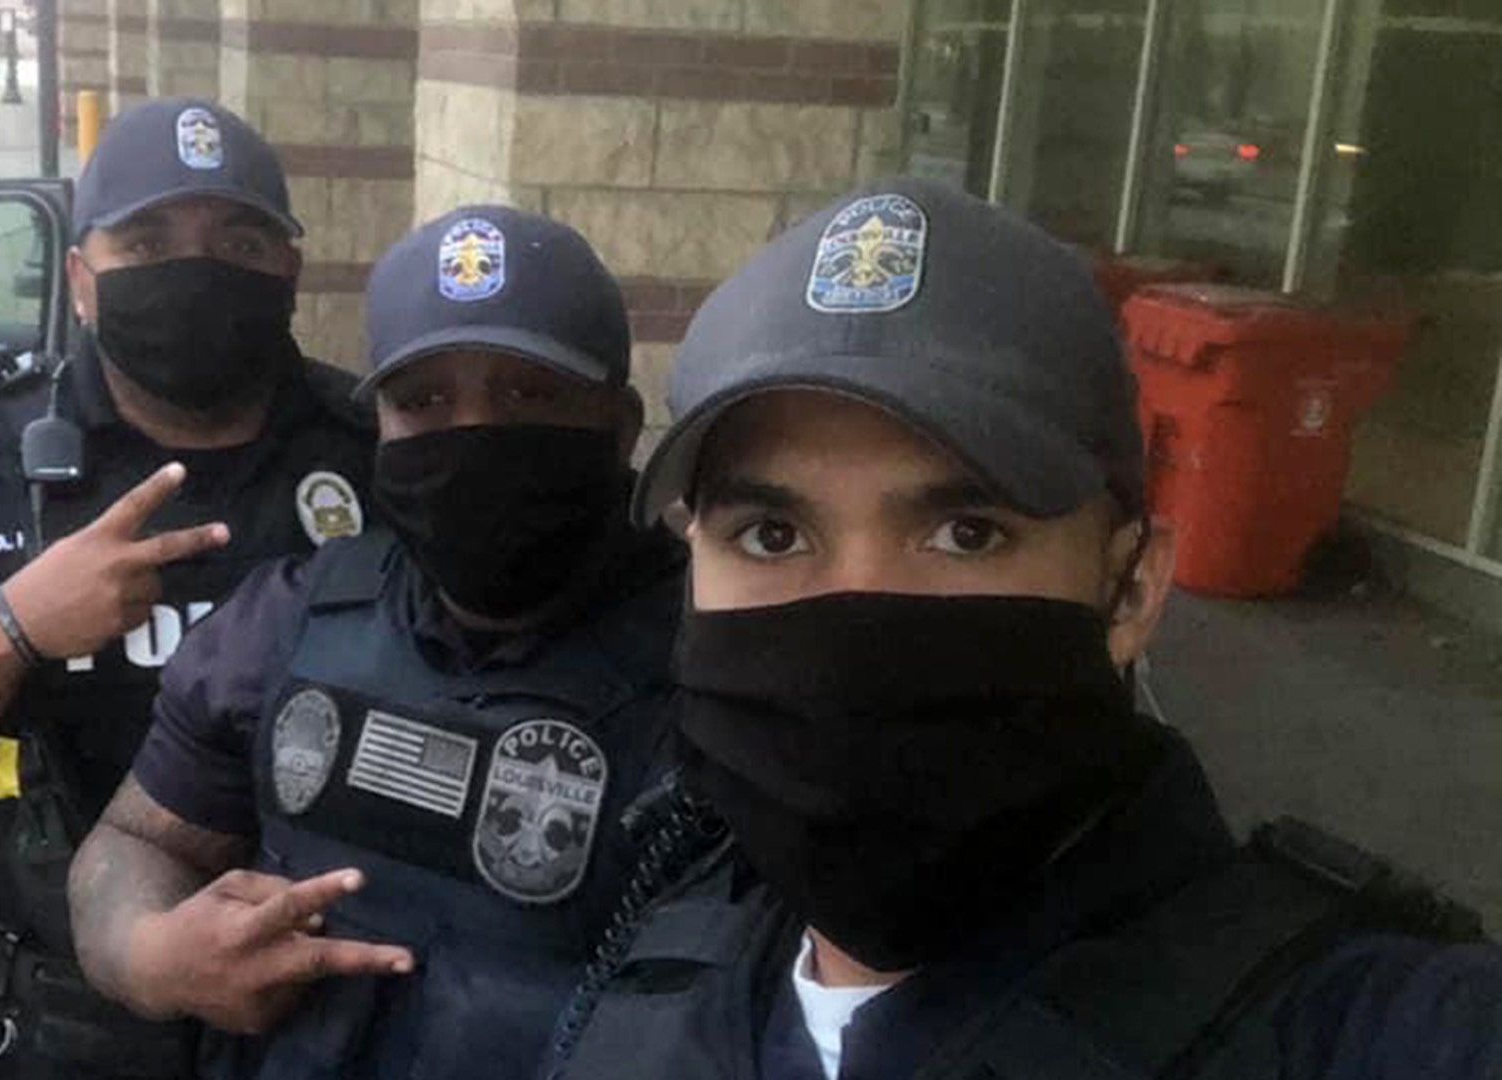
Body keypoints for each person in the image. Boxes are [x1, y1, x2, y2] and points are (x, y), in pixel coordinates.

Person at [544, 178, 1502, 1080]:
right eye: (772, 533)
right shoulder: (683, 920)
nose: (857, 613)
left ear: (1131, 589)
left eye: (967, 534)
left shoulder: (1363, 1028)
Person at [0, 97, 375, 1079]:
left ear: (289, 272)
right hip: (78, 1030)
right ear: (81, 280)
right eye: (147, 240)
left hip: (342, 1012)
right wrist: (14, 624)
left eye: (239, 241)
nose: (195, 270)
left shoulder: (372, 457)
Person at [66, 205, 686, 1080]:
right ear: (381, 427)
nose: (475, 432)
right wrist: (152, 951)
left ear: (621, 427)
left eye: (529, 393)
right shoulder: (285, 622)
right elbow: (139, 841)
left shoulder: (718, 679)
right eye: (424, 400)